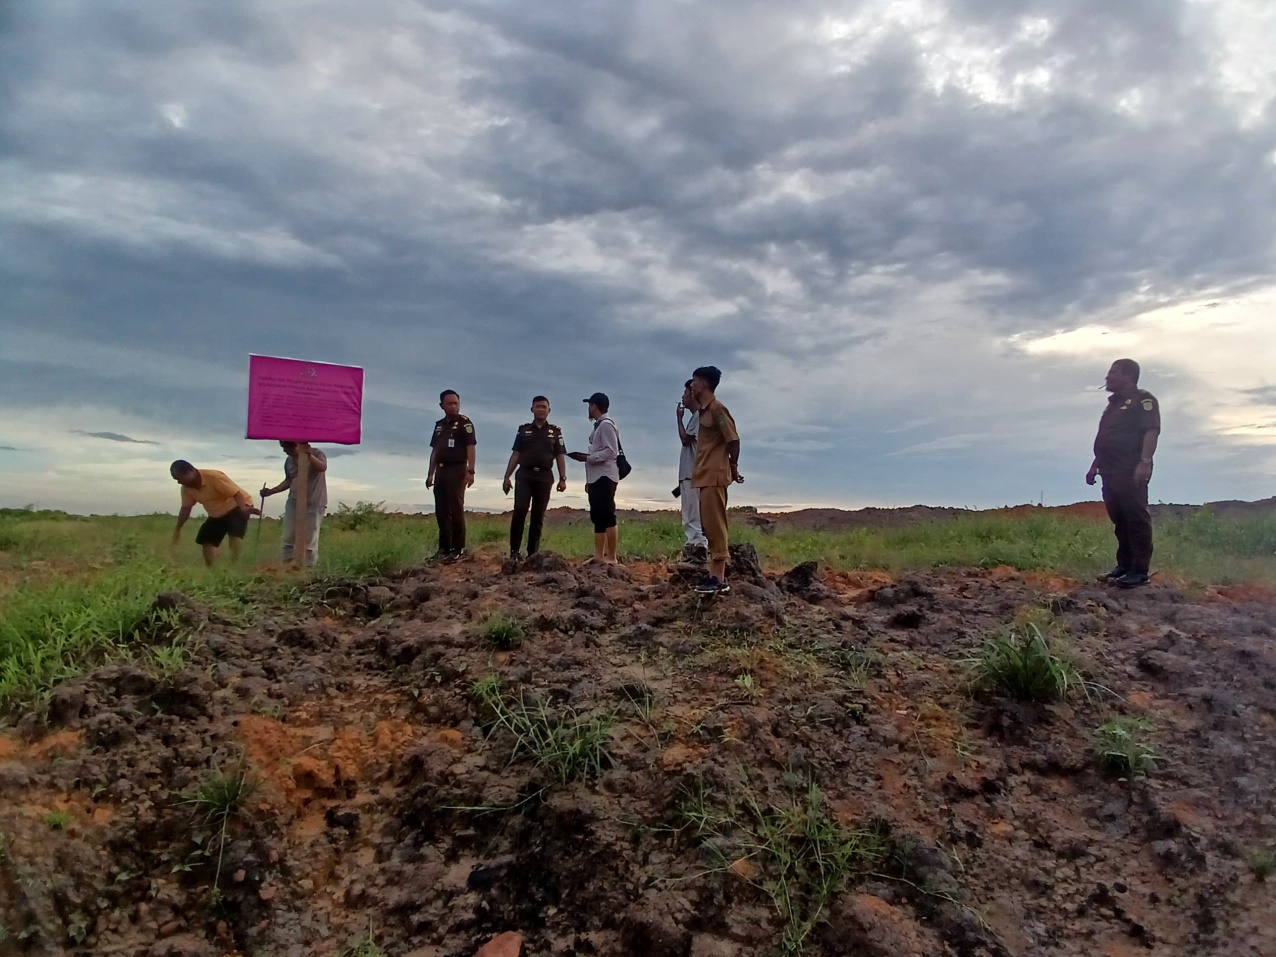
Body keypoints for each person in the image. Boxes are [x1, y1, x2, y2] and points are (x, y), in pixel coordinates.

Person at [1086, 358, 1160, 588]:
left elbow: (1151, 431)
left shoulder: (1143, 400)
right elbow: (1107, 439)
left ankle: (1139, 570)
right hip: (1109, 470)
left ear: (1128, 376)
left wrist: (1145, 462)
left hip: (1130, 469)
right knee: (1119, 519)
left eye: (1113, 373)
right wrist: (1095, 465)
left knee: (1135, 518)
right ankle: (1124, 565)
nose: (1108, 377)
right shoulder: (1114, 404)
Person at [689, 366, 741, 595]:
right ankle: (713, 574)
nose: (692, 385)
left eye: (694, 381)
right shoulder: (703, 412)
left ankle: (718, 578)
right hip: (704, 476)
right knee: (708, 526)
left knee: (716, 525)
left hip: (715, 476)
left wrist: (733, 467)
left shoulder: (718, 409)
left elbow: (733, 440)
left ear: (704, 384)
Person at [503, 396, 568, 560]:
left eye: (544, 407)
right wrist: (507, 476)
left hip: (545, 476)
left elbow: (560, 456)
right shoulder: (523, 430)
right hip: (525, 474)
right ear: (532, 409)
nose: (541, 409)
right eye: (538, 406)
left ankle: (532, 554)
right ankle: (514, 552)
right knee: (520, 510)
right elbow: (516, 454)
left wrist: (563, 478)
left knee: (538, 516)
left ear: (549, 410)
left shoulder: (555, 432)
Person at [169, 460, 260, 567]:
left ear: (190, 471)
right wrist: (178, 529)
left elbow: (236, 493)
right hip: (216, 513)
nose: (179, 482)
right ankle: (212, 570)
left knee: (234, 531)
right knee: (206, 539)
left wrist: (243, 508)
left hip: (238, 504)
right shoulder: (186, 489)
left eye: (179, 478)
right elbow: (185, 509)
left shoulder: (214, 477)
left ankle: (234, 566)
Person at [568, 392, 620, 564]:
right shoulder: (599, 426)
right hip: (597, 477)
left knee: (607, 514)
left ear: (595, 406)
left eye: (590, 405)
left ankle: (611, 556)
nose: (589, 409)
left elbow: (611, 451)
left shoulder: (606, 425)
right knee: (597, 516)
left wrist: (588, 458)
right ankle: (599, 556)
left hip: (605, 476)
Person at [426, 389, 476, 562]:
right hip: (441, 471)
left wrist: (471, 471)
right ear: (442, 406)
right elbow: (435, 450)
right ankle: (444, 548)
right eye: (450, 403)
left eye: (456, 403)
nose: (454, 406)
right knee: (441, 511)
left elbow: (471, 447)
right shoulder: (439, 425)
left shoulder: (465, 423)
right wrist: (430, 474)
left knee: (456, 509)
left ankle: (458, 548)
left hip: (457, 469)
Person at [260, 442, 329, 566]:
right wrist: (271, 491)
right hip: (294, 501)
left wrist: (308, 455)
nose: (286, 451)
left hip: (314, 501)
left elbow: (322, 467)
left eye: (289, 447)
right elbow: (289, 480)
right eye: (284, 448)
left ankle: (308, 567)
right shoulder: (289, 461)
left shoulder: (316, 453)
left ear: (298, 445)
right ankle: (285, 566)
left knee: (310, 538)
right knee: (289, 536)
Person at [676, 380, 708, 563]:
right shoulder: (697, 417)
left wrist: (678, 418)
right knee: (691, 513)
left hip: (692, 473)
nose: (683, 397)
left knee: (693, 514)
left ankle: (697, 549)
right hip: (690, 473)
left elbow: (685, 439)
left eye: (685, 393)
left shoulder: (698, 417)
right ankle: (694, 547)